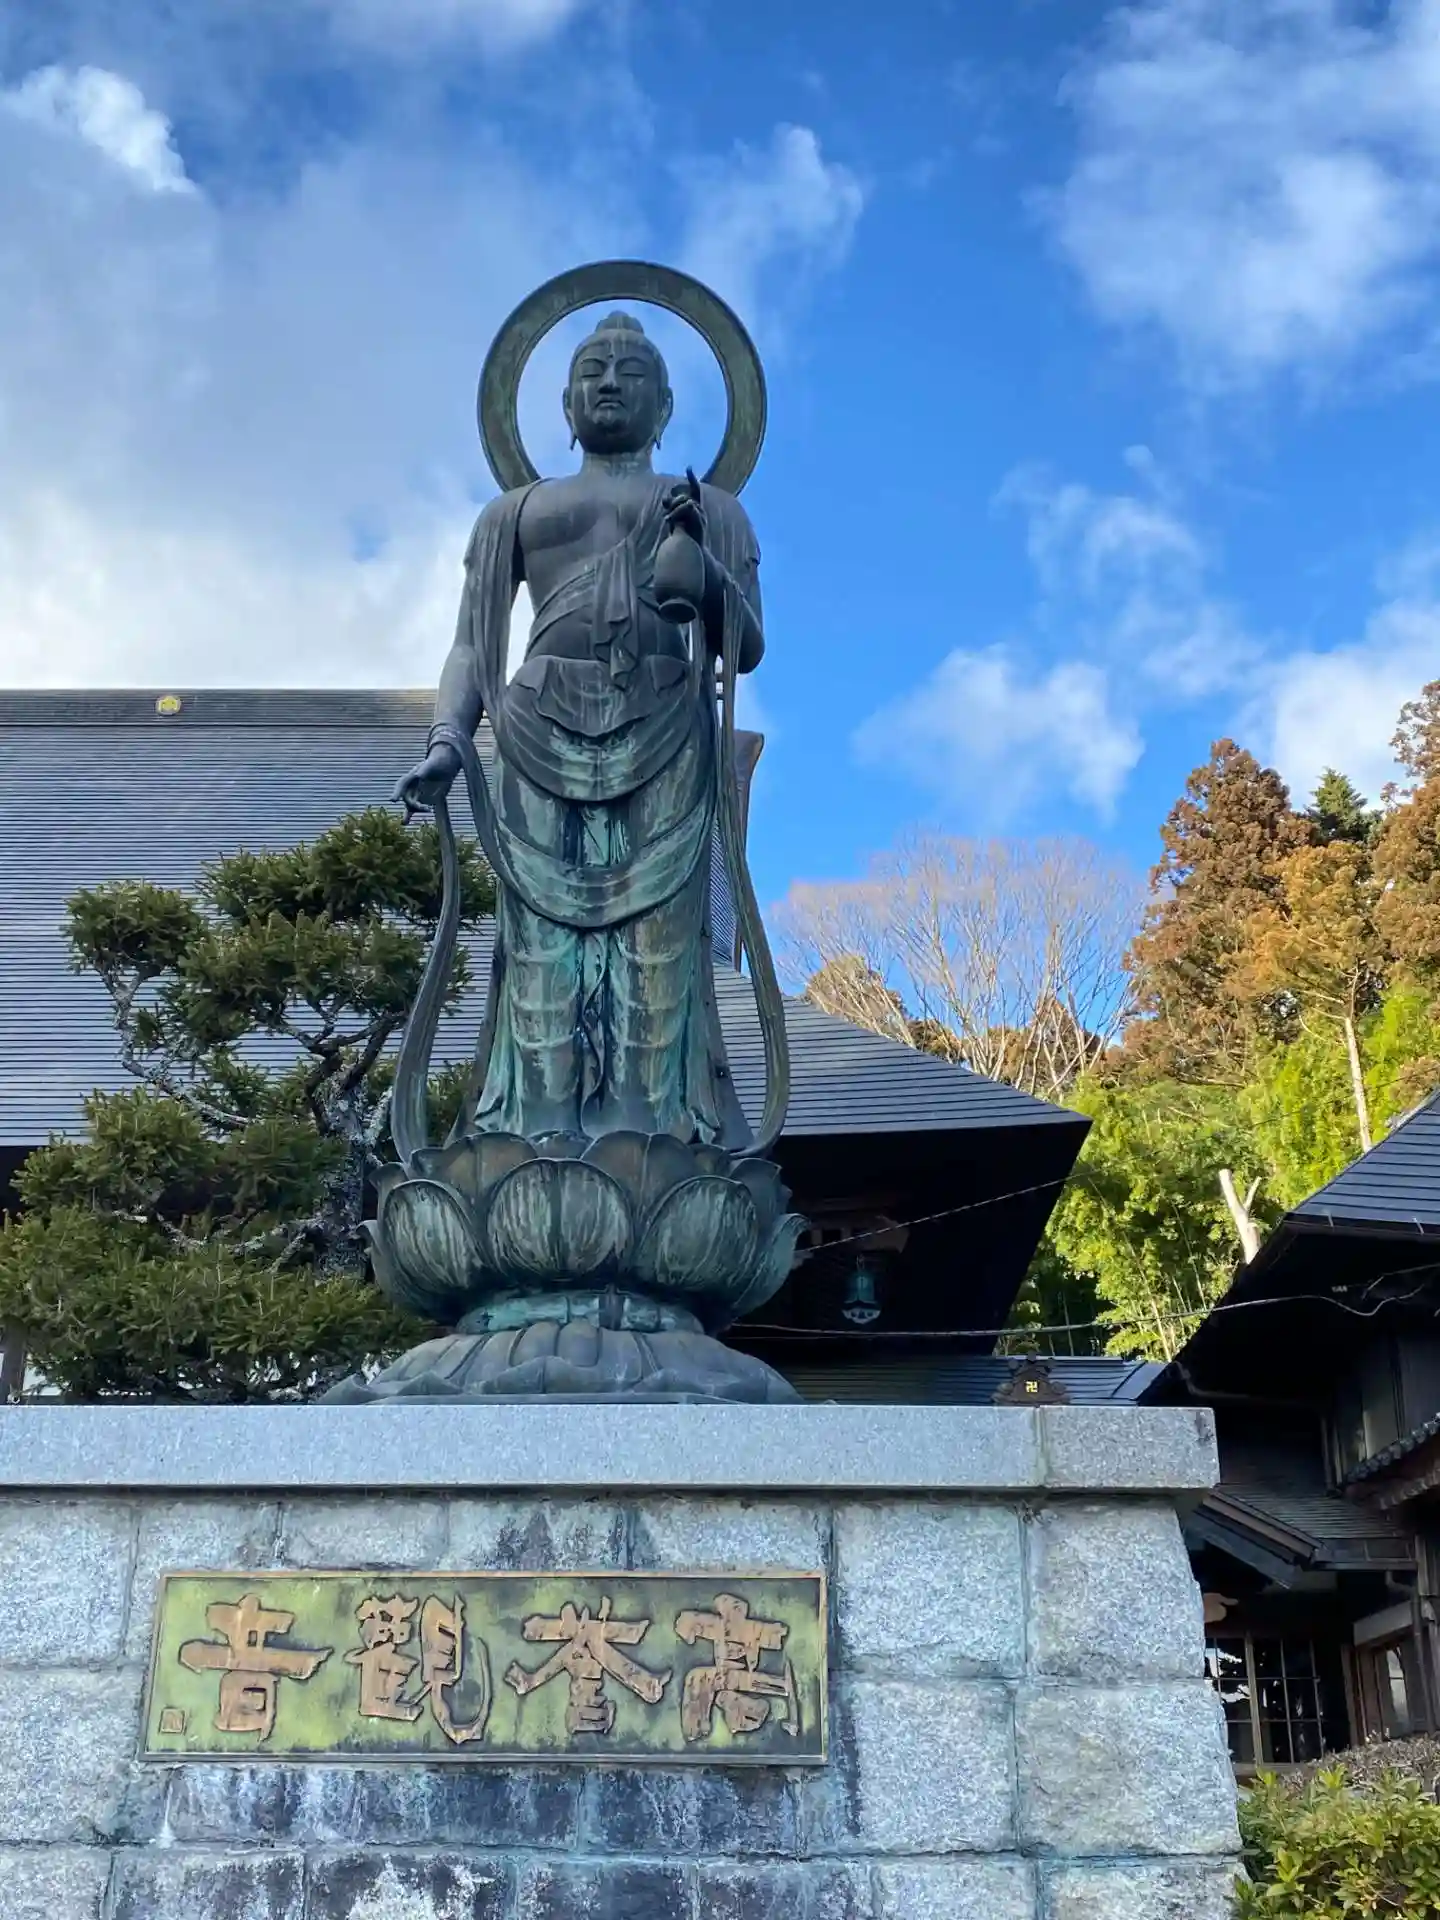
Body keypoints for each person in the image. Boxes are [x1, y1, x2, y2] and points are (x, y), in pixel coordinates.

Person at [393, 311, 767, 1148]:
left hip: (667, 716)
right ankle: (534, 1133)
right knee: (537, 942)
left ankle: (654, 1135)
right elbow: (472, 645)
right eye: (591, 371)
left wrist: (703, 574)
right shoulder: (513, 513)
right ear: (563, 406)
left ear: (665, 406)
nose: (608, 383)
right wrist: (447, 741)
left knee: (661, 942)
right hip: (535, 722)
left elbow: (746, 646)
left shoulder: (711, 509)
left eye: (631, 373)